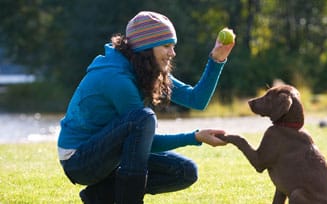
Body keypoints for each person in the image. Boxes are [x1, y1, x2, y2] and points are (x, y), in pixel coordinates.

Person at [57, 11, 235, 204]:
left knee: (185, 171)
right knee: (143, 118)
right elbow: (144, 140)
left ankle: (99, 195)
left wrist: (217, 59)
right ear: (146, 48)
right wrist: (194, 137)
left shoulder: (146, 68)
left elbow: (196, 100)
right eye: (167, 46)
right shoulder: (117, 78)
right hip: (79, 160)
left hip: (108, 155)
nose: (172, 53)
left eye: (173, 46)